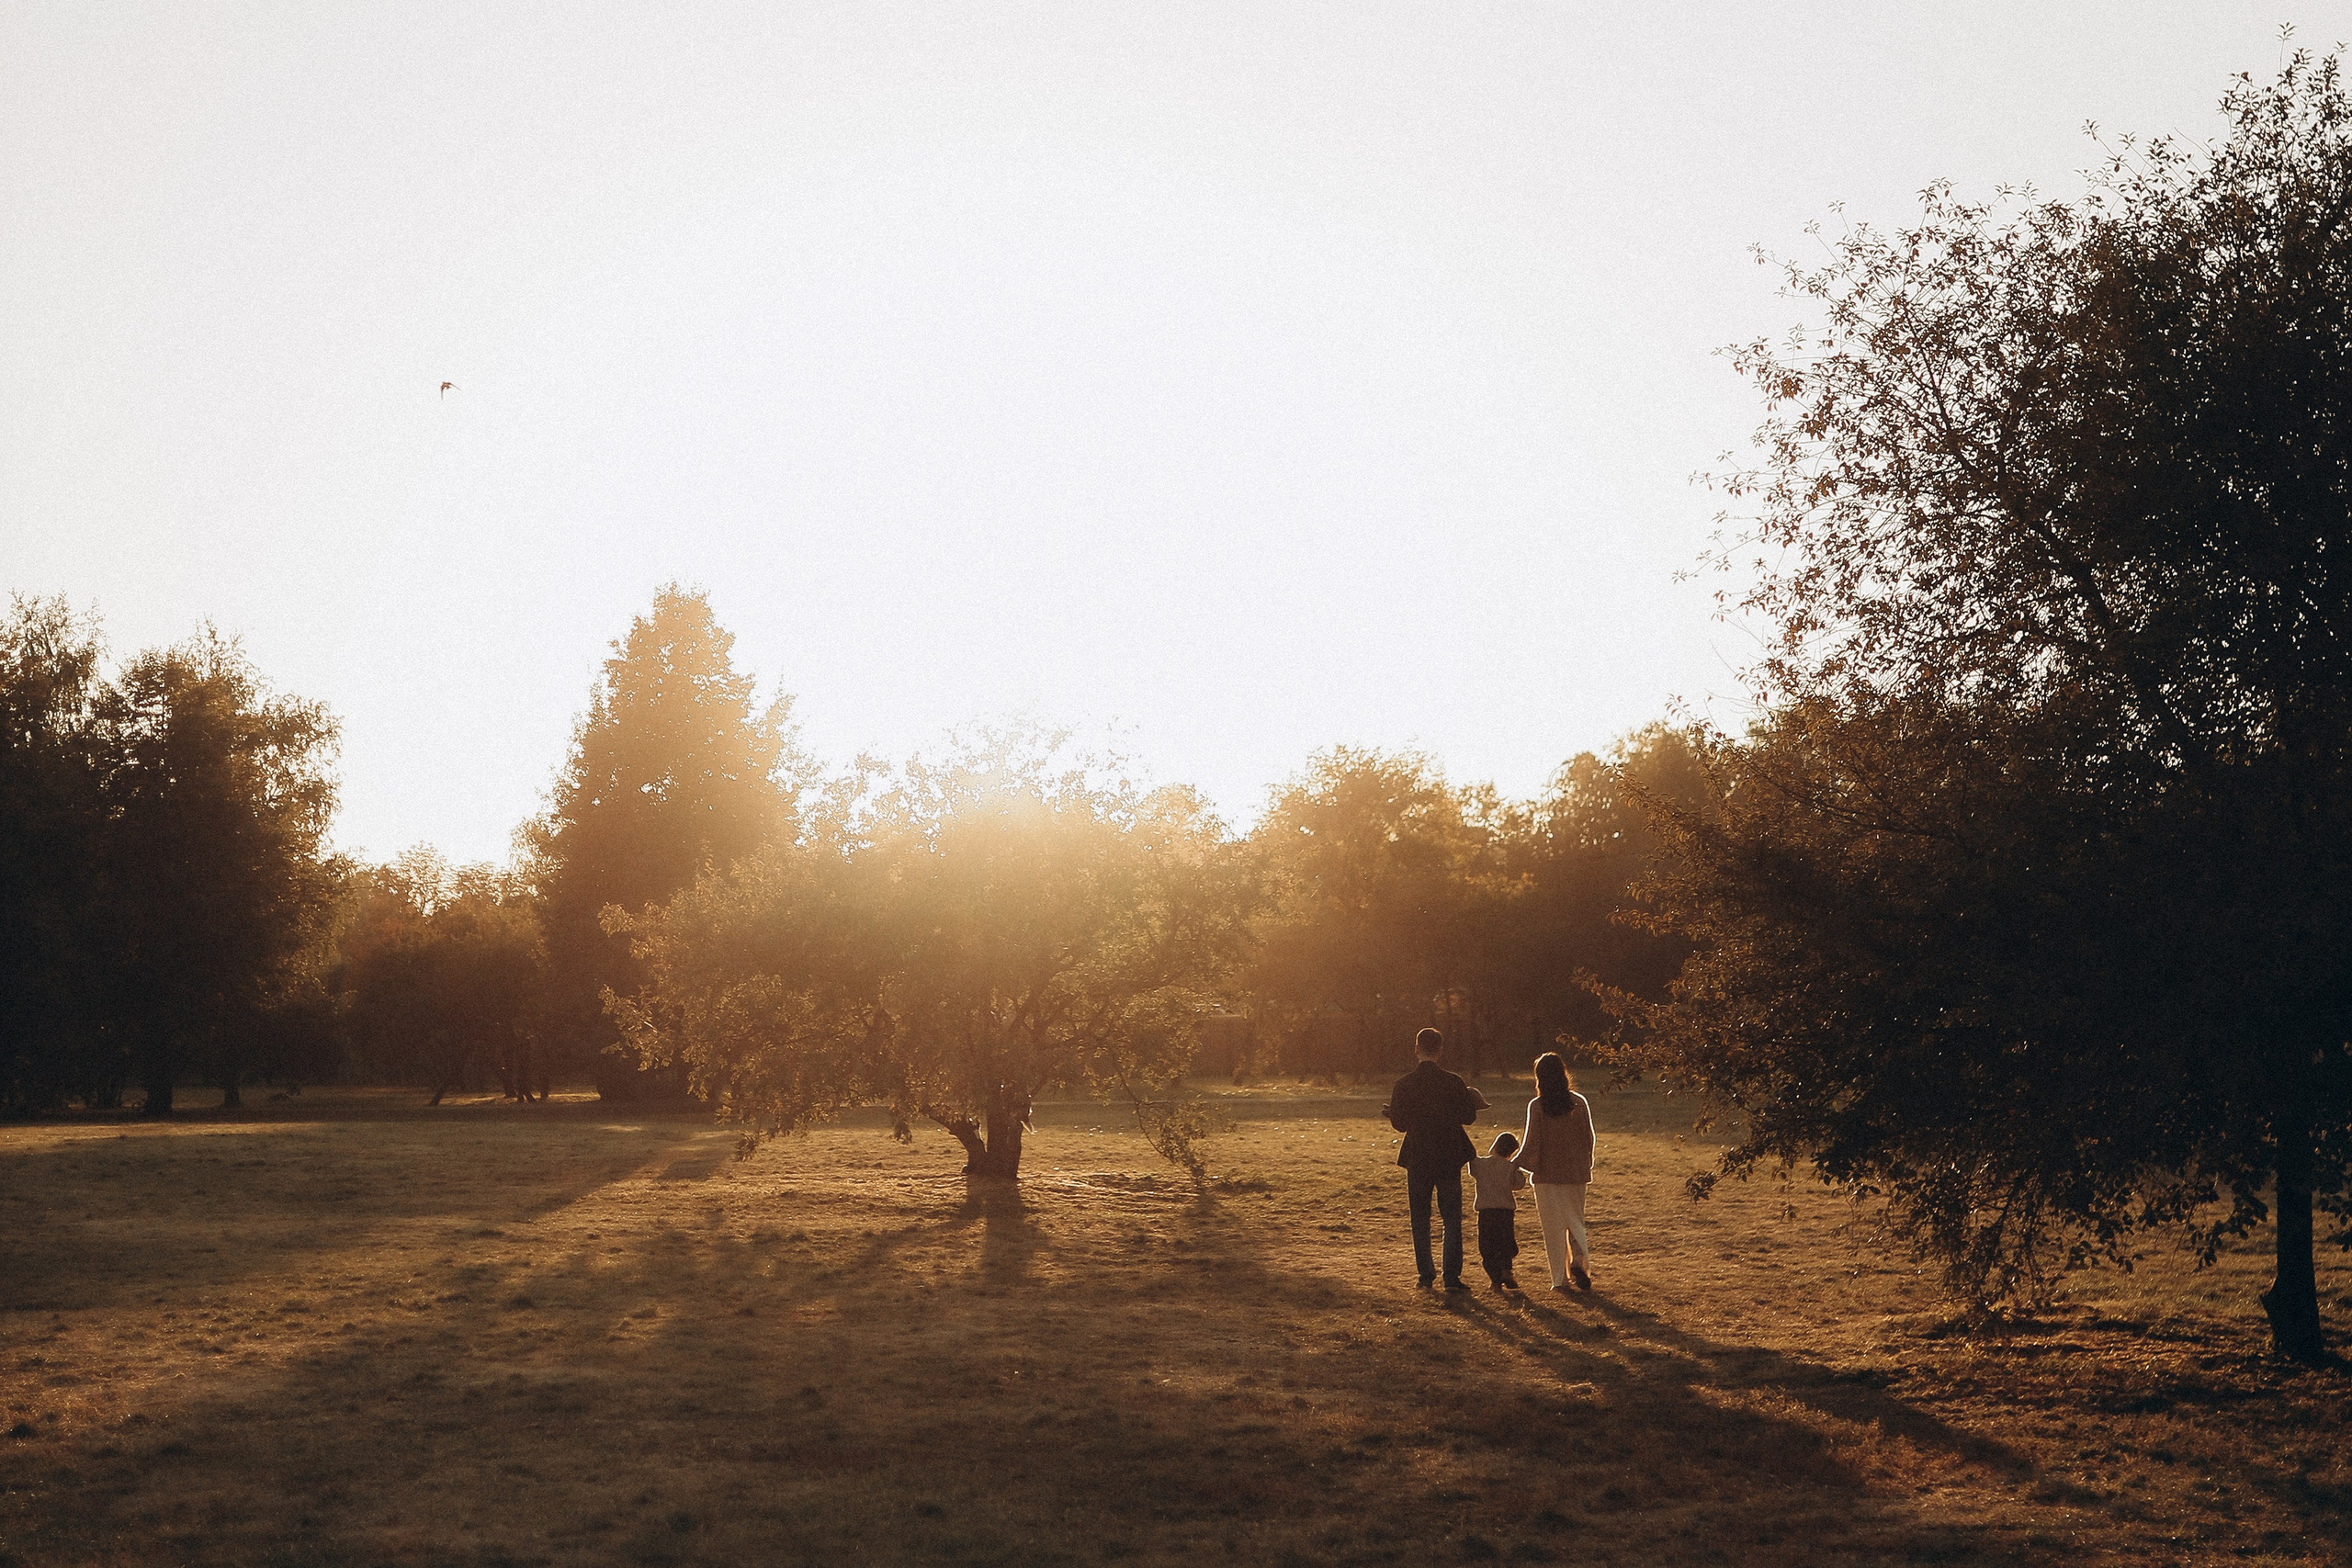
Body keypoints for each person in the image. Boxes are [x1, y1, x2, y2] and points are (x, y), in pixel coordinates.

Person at [1384, 1027, 1488, 1289]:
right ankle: (1451, 1276)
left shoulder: (1404, 1084)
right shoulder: (1453, 1082)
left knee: (1420, 1218)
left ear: (1416, 1049)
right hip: (1449, 1155)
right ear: (1440, 1051)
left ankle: (1425, 1275)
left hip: (1418, 1156)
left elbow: (1400, 1124)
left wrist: (1393, 1114)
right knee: (1451, 1217)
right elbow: (1468, 1117)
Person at [1513, 1051, 1596, 1292]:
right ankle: (1578, 1260)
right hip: (1576, 1174)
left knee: (1553, 1227)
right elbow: (1588, 1137)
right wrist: (1585, 1163)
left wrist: (1513, 1163)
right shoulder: (1579, 1102)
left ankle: (1560, 1278)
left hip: (1547, 1176)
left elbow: (1531, 1143)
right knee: (1575, 1220)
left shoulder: (1537, 1106)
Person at [1467, 1130, 1532, 1290]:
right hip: (1505, 1212)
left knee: (1487, 1246)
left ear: (1494, 1146)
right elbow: (1519, 1184)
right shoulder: (1510, 1167)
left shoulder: (1480, 1164)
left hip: (1486, 1211)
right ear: (1511, 1153)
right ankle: (1506, 1270)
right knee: (1506, 1243)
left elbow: (1471, 1165)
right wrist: (1516, 1168)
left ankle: (1495, 1279)